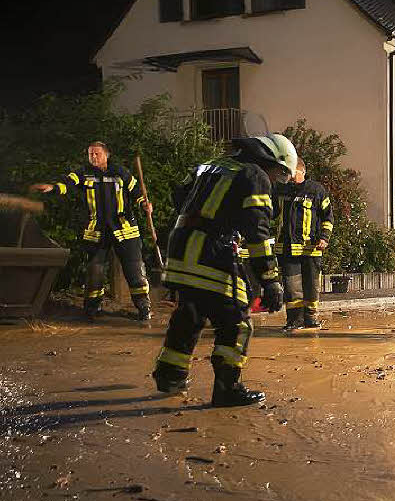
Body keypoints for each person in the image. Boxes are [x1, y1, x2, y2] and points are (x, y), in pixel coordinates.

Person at [152, 134, 296, 407]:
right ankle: (227, 389)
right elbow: (258, 232)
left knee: (190, 313)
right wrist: (270, 281)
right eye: (279, 173)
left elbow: (179, 195)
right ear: (270, 159)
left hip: (181, 244)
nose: (276, 179)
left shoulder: (211, 165)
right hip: (212, 249)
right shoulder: (255, 175)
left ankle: (170, 377)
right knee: (237, 319)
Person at [30, 141, 153, 322]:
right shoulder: (83, 173)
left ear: (107, 154)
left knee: (134, 271)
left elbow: (137, 192)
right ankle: (92, 309)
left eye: (97, 154)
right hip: (96, 232)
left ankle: (144, 308)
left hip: (125, 230)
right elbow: (67, 183)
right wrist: (53, 188)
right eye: (90, 154)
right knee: (94, 273)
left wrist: (144, 204)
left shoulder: (121, 172)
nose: (93, 157)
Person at [273, 157, 335, 331]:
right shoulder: (280, 190)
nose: (287, 175)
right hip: (287, 248)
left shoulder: (316, 190)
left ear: (301, 171)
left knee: (312, 287)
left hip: (311, 248)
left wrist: (324, 237)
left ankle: (311, 318)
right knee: (292, 288)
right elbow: (271, 213)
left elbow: (328, 217)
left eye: (290, 171)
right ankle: (294, 320)